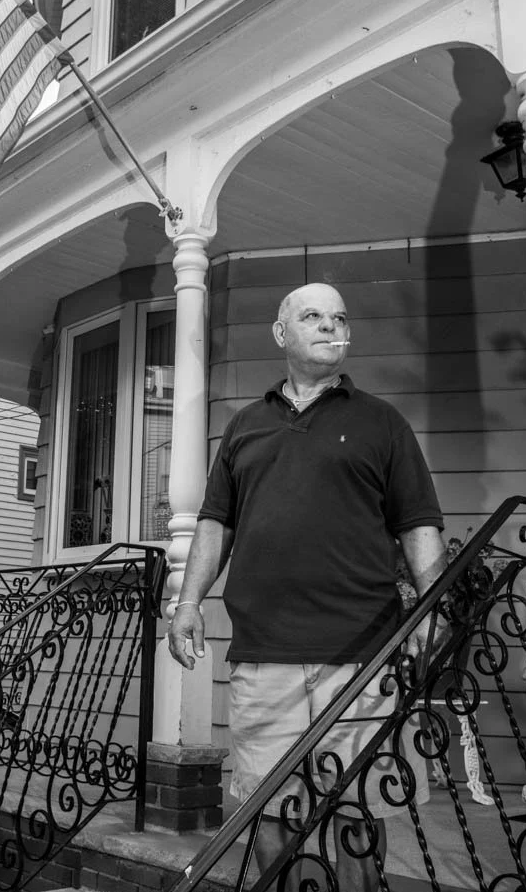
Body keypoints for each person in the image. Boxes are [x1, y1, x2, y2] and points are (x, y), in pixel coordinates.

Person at [166, 282, 446, 892]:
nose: (329, 326)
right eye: (313, 316)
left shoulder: (382, 422)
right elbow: (215, 524)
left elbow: (418, 524)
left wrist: (431, 609)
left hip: (362, 657)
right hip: (264, 656)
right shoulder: (244, 425)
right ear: (281, 333)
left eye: (339, 317)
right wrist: (187, 603)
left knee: (358, 813)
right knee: (270, 811)